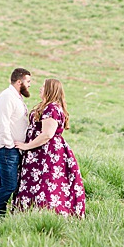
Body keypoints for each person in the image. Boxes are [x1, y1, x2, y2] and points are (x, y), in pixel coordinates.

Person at [12, 75, 87, 217]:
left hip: (46, 153)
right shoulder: (47, 107)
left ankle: (47, 215)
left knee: (47, 183)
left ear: (50, 90)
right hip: (39, 153)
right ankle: (31, 213)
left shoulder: (52, 108)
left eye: (43, 86)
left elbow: (47, 134)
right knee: (39, 182)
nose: (40, 88)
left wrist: (26, 146)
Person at [0, 66, 31, 219]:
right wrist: (9, 144)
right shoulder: (7, 97)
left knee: (4, 183)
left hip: (10, 149)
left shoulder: (16, 97)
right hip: (5, 148)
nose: (30, 85)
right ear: (19, 82)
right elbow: (2, 122)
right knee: (9, 185)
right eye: (28, 81)